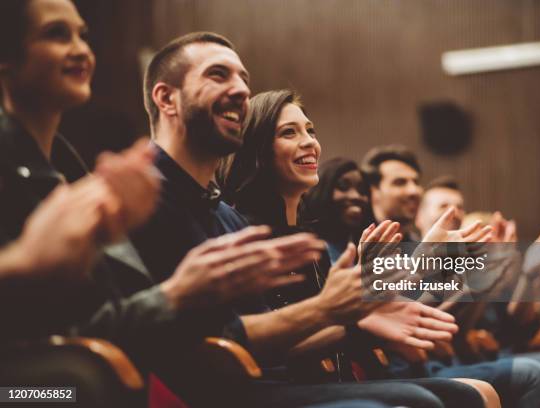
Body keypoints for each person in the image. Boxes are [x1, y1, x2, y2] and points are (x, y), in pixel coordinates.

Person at [0, 5, 336, 408]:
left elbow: (112, 325)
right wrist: (24, 262)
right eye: (57, 34)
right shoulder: (127, 188)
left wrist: (178, 296)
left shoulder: (65, 169)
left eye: (82, 35)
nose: (80, 49)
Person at [130, 32, 487, 407]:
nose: (239, 90)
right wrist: (394, 282)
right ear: (166, 98)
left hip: (267, 382)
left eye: (243, 79)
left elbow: (273, 339)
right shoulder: (151, 201)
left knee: (463, 393)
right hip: (220, 393)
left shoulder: (225, 217)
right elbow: (206, 352)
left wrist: (372, 302)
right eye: (218, 75)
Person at [416, 176, 540, 408]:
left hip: (488, 353)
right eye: (444, 206)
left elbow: (517, 328)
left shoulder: (464, 260)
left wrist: (530, 276)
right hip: (447, 363)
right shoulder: (420, 261)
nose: (455, 212)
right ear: (419, 215)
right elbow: (455, 336)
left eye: (460, 206)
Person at [301, 157, 373, 263]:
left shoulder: (368, 252)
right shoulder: (302, 248)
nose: (356, 196)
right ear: (321, 190)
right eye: (343, 186)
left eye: (362, 190)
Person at [361, 145, 424, 241]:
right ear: (373, 191)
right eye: (400, 182)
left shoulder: (417, 244)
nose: (414, 191)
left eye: (416, 182)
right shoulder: (350, 242)